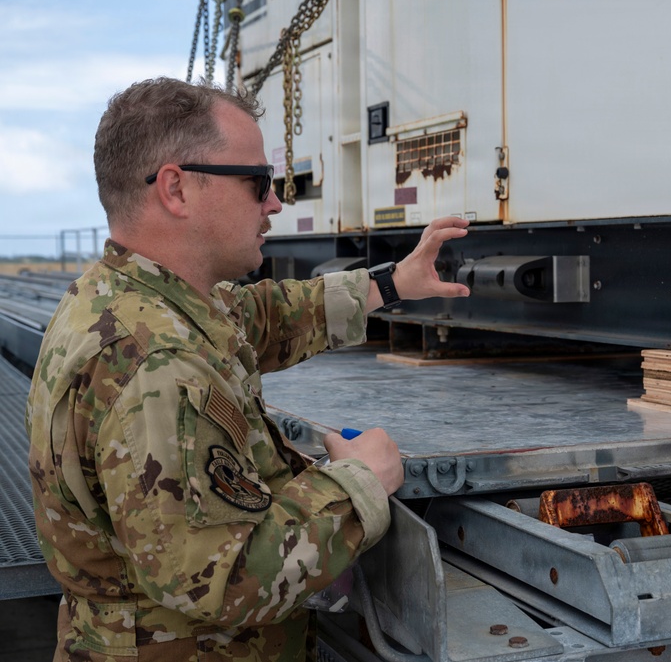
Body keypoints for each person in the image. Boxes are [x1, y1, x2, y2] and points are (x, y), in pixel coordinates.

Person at [26, 76, 470, 661]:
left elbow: (263, 316)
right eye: (258, 183)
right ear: (176, 189)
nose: (276, 203)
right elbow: (224, 578)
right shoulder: (156, 364)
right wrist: (359, 483)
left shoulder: (126, 298)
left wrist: (389, 284)